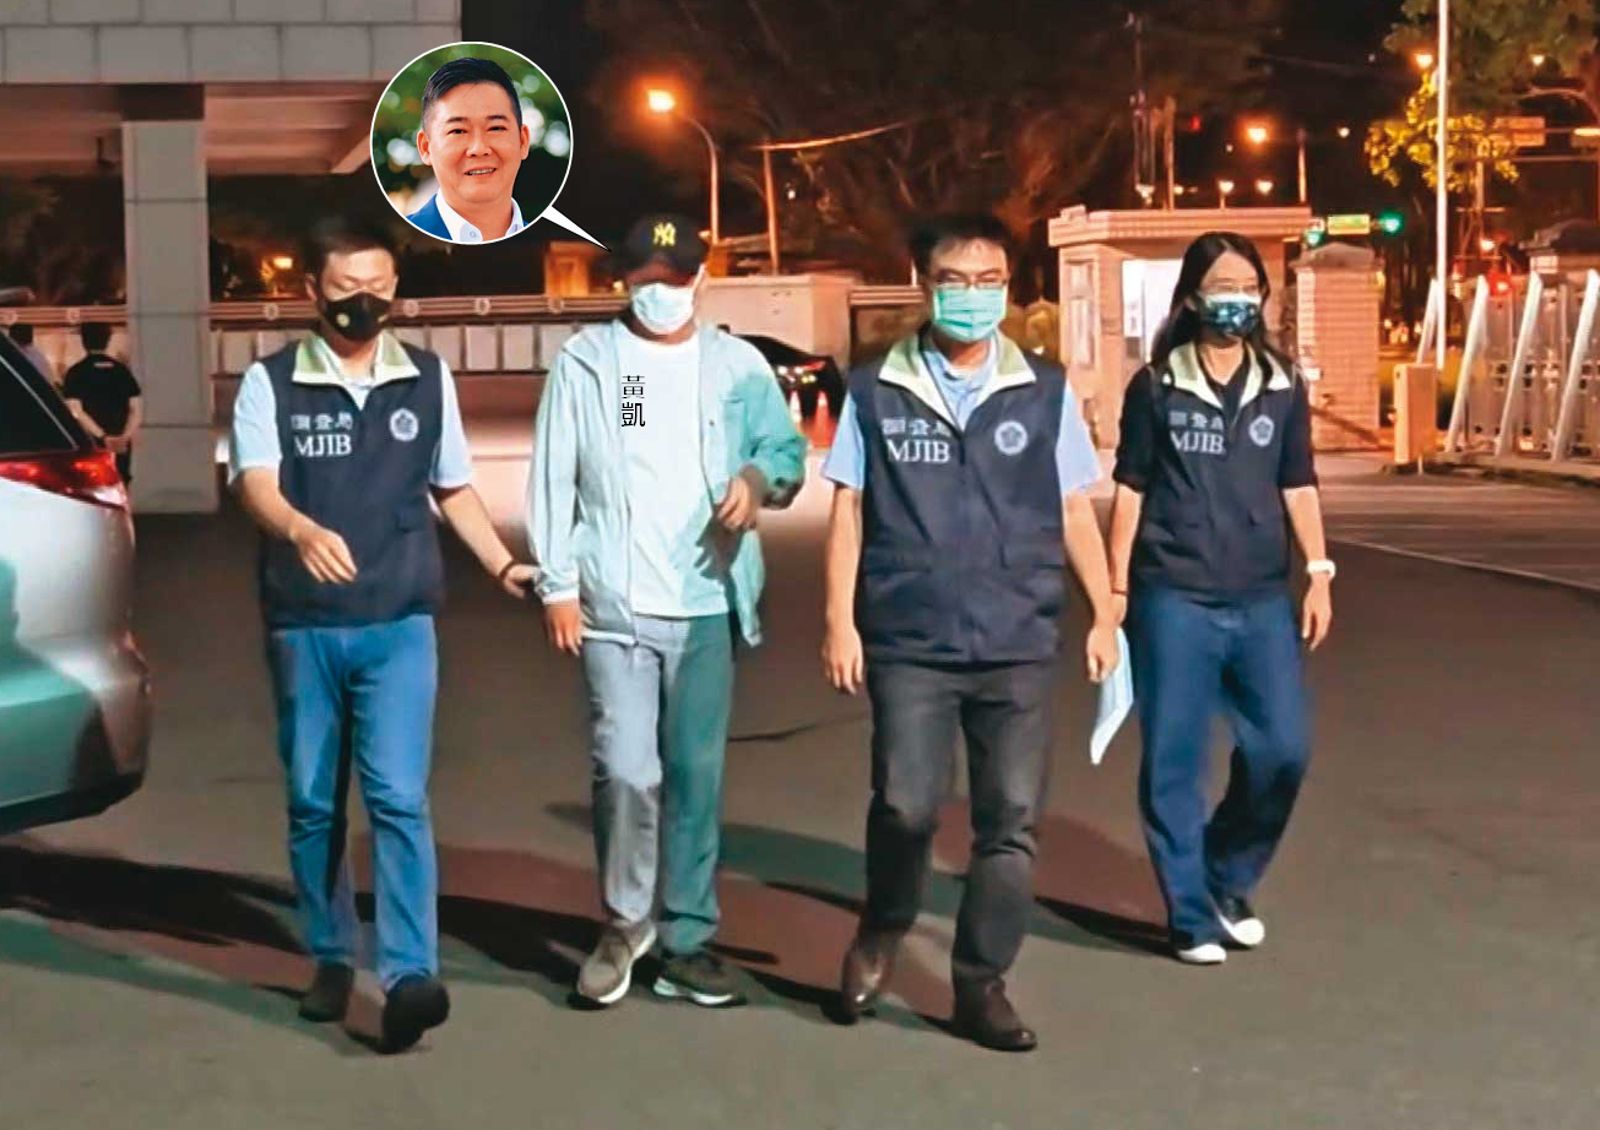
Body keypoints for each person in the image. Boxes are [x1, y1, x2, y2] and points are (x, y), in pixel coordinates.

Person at [230, 216, 536, 1052]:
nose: (362, 303)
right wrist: (298, 528)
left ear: (396, 290)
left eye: (377, 288)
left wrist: (503, 564)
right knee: (313, 802)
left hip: (400, 621)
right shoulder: (271, 383)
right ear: (312, 292)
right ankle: (331, 952)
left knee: (398, 798)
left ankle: (409, 976)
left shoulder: (427, 379)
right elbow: (254, 483)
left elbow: (454, 487)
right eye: (345, 289)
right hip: (306, 626)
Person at [821, 213, 1119, 1052]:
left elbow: (1073, 508)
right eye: (956, 280)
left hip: (1017, 636)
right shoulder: (875, 388)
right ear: (923, 283)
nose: (974, 296)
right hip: (909, 636)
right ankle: (883, 925)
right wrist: (840, 620)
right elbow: (848, 507)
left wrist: (1106, 611)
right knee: (906, 804)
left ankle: (980, 982)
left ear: (1010, 289)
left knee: (1010, 821)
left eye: (991, 282)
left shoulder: (1044, 388)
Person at [528, 212, 806, 1010]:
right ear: (624, 281)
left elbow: (784, 452)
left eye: (675, 278)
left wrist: (755, 482)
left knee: (694, 776)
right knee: (626, 769)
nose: (661, 293)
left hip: (707, 603)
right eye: (646, 280)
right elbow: (555, 472)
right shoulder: (592, 364)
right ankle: (624, 923)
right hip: (615, 606)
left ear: (700, 280)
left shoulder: (737, 366)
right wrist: (558, 583)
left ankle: (686, 936)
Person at [1106, 231, 1333, 967]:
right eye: (1221, 286)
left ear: (1263, 296)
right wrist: (1114, 590)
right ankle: (1189, 916)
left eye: (1246, 287)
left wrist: (1319, 570)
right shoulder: (1157, 386)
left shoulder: (1282, 384)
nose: (1235, 299)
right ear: (1193, 296)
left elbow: (1297, 480)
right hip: (1173, 596)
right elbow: (1131, 487)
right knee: (1174, 759)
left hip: (1261, 597)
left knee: (1282, 750)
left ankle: (1226, 877)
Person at [406, 57, 532, 244]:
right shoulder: (395, 247)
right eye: (458, 131)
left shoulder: (556, 244)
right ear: (425, 147)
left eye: (495, 128)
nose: (479, 148)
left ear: (523, 141)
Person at [62, 323, 141, 482]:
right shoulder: (122, 371)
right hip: (120, 441)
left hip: (91, 441)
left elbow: (76, 410)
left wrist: (103, 436)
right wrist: (124, 437)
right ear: (108, 340)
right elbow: (136, 409)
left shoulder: (76, 372)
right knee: (121, 480)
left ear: (83, 342)